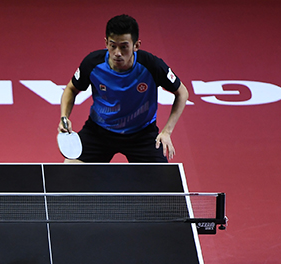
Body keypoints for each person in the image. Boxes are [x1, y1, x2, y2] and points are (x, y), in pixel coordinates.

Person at [59, 14, 189, 163]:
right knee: (70, 173)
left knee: (162, 184)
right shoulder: (92, 64)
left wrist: (167, 131)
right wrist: (64, 117)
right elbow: (71, 89)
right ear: (106, 43)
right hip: (99, 132)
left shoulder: (152, 65)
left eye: (124, 47)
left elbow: (182, 93)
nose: (117, 53)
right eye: (113, 46)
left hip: (142, 134)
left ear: (136, 46)